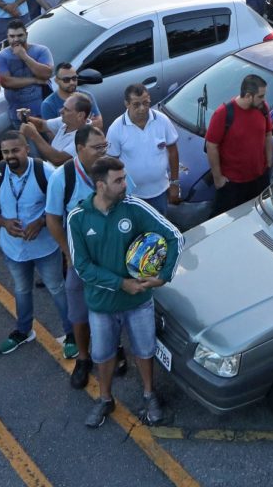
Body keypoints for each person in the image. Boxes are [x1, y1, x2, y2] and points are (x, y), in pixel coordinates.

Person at [67, 155, 182, 428]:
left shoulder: (134, 207)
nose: (125, 184)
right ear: (100, 185)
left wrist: (163, 277)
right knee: (103, 355)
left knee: (145, 350)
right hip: (102, 305)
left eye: (124, 178)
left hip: (139, 302)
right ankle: (105, 399)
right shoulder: (78, 218)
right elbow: (81, 267)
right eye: (118, 180)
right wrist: (122, 284)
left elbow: (174, 236)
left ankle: (148, 394)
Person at [0, 131, 71, 357]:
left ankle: (73, 334)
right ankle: (24, 330)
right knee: (21, 289)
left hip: (45, 247)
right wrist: (4, 223)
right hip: (13, 249)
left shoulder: (45, 172)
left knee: (57, 288)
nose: (10, 156)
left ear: (27, 149)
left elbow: (63, 207)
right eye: (5, 152)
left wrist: (40, 223)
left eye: (15, 150)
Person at [44, 125, 112, 390]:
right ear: (79, 148)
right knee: (79, 313)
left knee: (112, 308)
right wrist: (68, 252)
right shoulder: (63, 177)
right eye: (97, 148)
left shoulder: (111, 170)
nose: (103, 152)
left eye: (104, 146)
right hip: (81, 260)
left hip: (110, 256)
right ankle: (84, 359)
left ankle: (113, 350)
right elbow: (52, 219)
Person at [205, 74, 273, 218]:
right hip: (233, 185)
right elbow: (211, 146)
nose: (264, 100)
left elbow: (268, 134)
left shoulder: (263, 108)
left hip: (259, 180)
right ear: (248, 95)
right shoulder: (223, 113)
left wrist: (269, 162)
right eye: (261, 96)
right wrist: (218, 178)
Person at [106, 84, 180, 214]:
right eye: (136, 104)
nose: (142, 108)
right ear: (126, 104)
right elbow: (112, 163)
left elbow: (173, 151)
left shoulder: (162, 120)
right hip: (131, 196)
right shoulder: (116, 129)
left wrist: (174, 183)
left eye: (146, 103)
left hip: (160, 192)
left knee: (159, 230)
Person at [0, 20, 53, 122]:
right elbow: (6, 82)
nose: (16, 39)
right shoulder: (1, 56)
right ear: (7, 37)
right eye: (12, 36)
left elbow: (46, 74)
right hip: (19, 116)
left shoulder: (41, 50)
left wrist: (24, 56)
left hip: (44, 112)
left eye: (20, 35)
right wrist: (35, 80)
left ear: (26, 34)